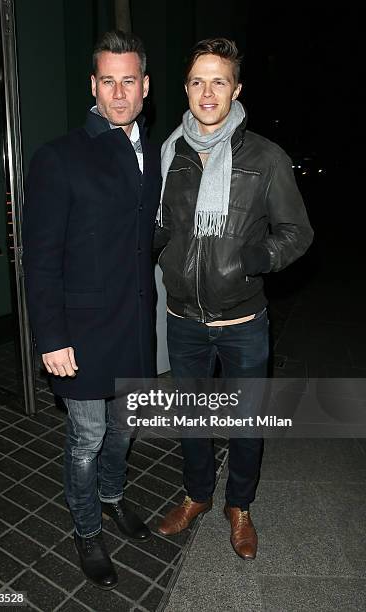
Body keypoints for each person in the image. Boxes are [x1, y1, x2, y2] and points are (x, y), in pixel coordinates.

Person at [154, 37, 313, 560]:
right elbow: (160, 224)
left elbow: (297, 233)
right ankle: (198, 495)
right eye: (198, 80)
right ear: (186, 88)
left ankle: (239, 506)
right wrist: (163, 253)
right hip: (183, 318)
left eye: (218, 81)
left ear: (236, 89)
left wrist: (249, 260)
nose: (207, 91)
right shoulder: (170, 152)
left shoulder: (266, 157)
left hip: (243, 320)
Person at [23, 30, 161, 589]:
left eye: (130, 80)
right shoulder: (59, 156)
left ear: (146, 86)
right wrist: (50, 338)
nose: (119, 92)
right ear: (93, 85)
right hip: (78, 332)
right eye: (108, 80)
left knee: (124, 430)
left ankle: (112, 497)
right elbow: (40, 259)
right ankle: (87, 530)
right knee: (87, 436)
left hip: (133, 325)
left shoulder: (153, 152)